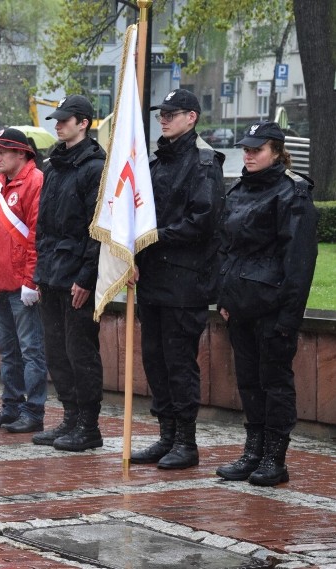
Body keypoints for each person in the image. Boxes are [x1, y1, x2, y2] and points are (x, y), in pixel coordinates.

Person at [215, 121, 317, 486]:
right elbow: (226, 247)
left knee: (275, 383)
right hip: (240, 306)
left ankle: (275, 457)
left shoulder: (293, 194)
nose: (248, 154)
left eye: (256, 149)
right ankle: (253, 451)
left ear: (276, 150)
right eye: (246, 149)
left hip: (273, 310)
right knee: (248, 382)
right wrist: (224, 299)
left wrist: (288, 319)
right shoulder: (239, 189)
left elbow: (299, 263)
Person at [130, 89, 225, 469]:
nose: (164, 119)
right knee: (155, 361)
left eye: (172, 114)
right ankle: (166, 435)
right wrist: (134, 253)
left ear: (192, 117)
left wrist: (157, 237)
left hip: (185, 281)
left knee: (179, 363)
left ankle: (186, 441)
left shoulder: (204, 162)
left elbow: (203, 220)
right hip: (153, 278)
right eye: (161, 114)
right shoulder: (156, 163)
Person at [30, 95, 107, 451]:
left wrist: (86, 277)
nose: (58, 125)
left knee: (80, 353)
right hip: (52, 273)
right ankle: (70, 418)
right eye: (57, 120)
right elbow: (43, 226)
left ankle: (88, 426)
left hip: (77, 275)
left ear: (84, 123)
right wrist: (40, 272)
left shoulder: (95, 167)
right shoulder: (55, 166)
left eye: (65, 120)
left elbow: (97, 228)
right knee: (57, 353)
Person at [0, 128, 47, 434]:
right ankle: (11, 406)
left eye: (3, 151)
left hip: (20, 285)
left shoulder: (36, 182)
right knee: (8, 352)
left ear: (22, 153)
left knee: (31, 351)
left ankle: (33, 411)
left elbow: (36, 234)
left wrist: (31, 280)